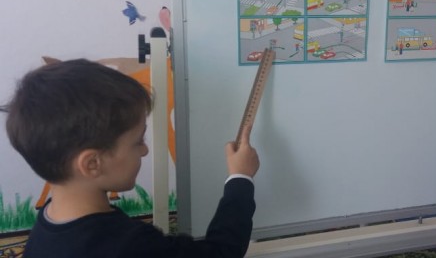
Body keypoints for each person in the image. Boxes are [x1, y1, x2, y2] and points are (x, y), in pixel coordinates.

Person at [3, 59, 260, 258]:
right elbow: (221, 252)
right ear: (92, 164)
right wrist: (240, 178)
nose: (145, 150)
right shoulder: (131, 246)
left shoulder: (48, 222)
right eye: (138, 141)